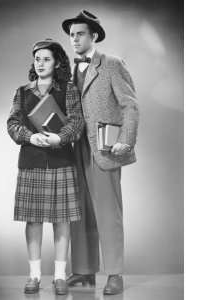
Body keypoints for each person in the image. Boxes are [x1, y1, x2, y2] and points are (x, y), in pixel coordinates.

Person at [61, 10, 139, 295]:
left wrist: (126, 140)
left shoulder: (112, 64)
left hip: (104, 146)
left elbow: (130, 105)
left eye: (80, 33)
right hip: (73, 147)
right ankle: (83, 271)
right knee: (78, 211)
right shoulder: (66, 70)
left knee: (108, 212)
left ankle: (115, 273)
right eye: (71, 35)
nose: (74, 39)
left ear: (93, 36)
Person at [7, 38, 84, 295]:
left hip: (62, 160)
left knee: (62, 220)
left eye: (46, 59)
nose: (40, 64)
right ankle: (34, 276)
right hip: (31, 162)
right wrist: (30, 137)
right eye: (37, 59)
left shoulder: (68, 89)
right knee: (33, 221)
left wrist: (59, 138)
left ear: (57, 62)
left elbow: (76, 122)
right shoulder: (22, 91)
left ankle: (60, 276)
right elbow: (12, 124)